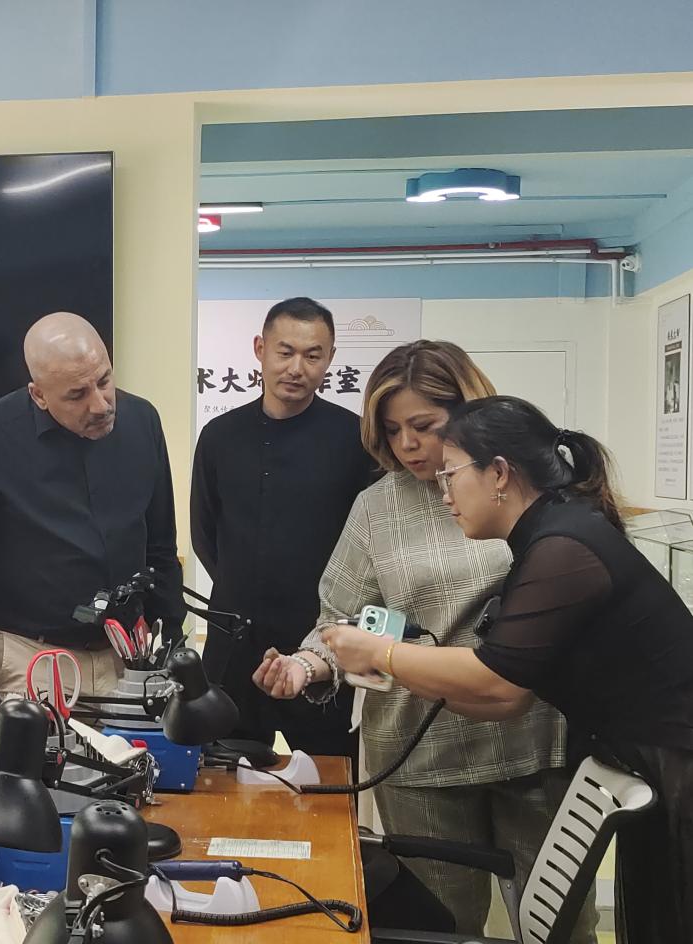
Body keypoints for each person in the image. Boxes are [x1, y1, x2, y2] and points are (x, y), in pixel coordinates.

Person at [321, 395, 693, 944]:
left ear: (498, 473)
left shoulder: (565, 545)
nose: (444, 494)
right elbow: (506, 699)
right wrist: (389, 671)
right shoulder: (547, 537)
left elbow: (495, 680)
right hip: (651, 757)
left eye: (451, 475)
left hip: (677, 758)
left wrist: (380, 654)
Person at [253, 343, 592, 939]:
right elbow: (343, 617)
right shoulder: (376, 507)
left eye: (423, 426)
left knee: (558, 927)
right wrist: (307, 665)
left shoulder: (518, 490)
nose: (407, 444)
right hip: (418, 752)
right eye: (392, 430)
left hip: (534, 744)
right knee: (439, 929)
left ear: (468, 414)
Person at [0, 312, 187, 725]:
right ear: (39, 395)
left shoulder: (143, 423)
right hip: (28, 663)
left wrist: (169, 650)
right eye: (76, 394)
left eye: (104, 381)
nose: (100, 404)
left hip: (129, 660)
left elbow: (160, 549)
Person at [191, 297, 372, 758]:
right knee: (220, 776)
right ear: (260, 349)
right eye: (285, 351)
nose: (296, 368)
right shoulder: (220, 436)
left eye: (312, 356)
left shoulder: (354, 440)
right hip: (234, 645)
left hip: (320, 648)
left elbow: (366, 547)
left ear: (330, 359)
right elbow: (205, 533)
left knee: (328, 780)